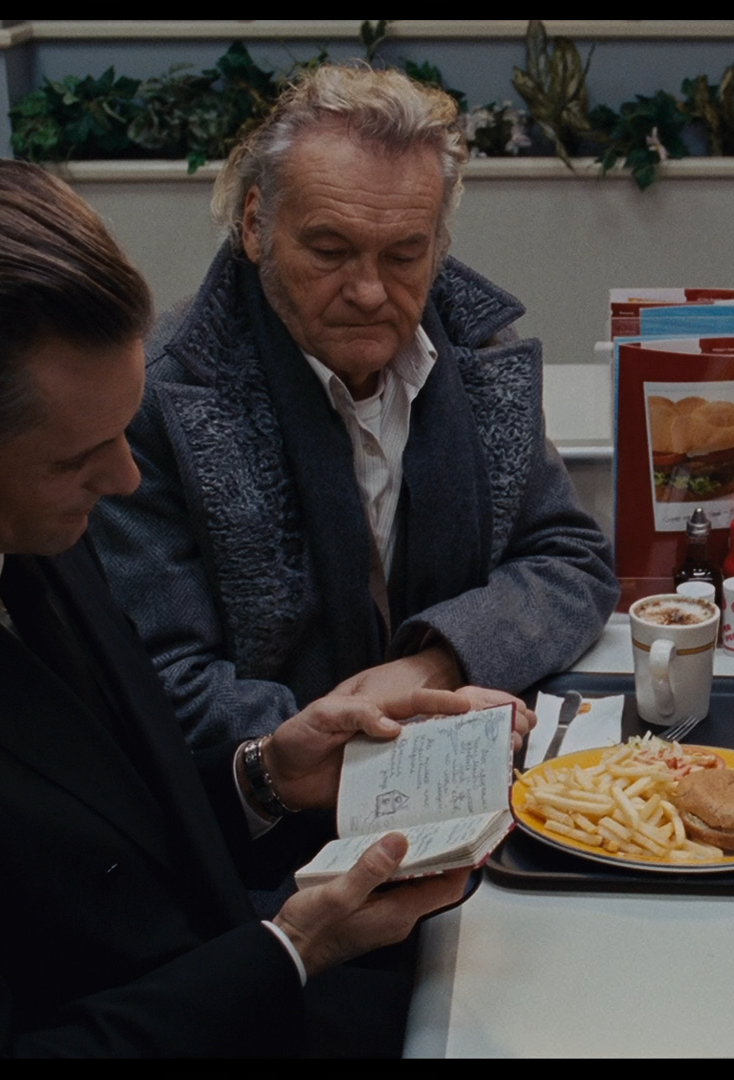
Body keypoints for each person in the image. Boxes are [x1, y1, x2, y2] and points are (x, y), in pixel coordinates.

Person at [0, 158, 526, 1056]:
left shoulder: (4, 508)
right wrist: (291, 951)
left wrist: (268, 775)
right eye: (80, 458)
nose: (122, 478)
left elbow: (100, 824)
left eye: (122, 432)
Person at [89, 63, 616, 750]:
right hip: (271, 801)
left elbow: (570, 560)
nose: (368, 291)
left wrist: (434, 664)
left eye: (403, 256)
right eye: (330, 251)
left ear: (438, 244)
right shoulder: (162, 398)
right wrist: (363, 735)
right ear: (255, 225)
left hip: (469, 765)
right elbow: (162, 680)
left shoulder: (479, 353)